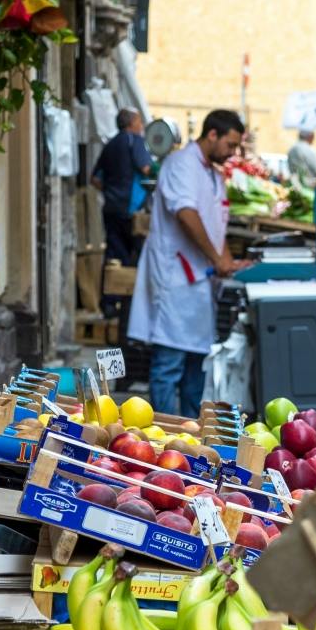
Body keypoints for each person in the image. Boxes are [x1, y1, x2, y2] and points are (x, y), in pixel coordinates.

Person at [127, 110, 248, 417]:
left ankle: (191, 432)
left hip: (200, 284)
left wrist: (228, 261)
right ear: (212, 135)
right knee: (169, 365)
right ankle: (161, 431)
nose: (232, 152)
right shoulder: (180, 164)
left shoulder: (213, 175)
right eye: (230, 144)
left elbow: (216, 224)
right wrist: (217, 258)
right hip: (175, 279)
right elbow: (186, 215)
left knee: (196, 369)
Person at [91, 108, 152, 265]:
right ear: (132, 123)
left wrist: (109, 190)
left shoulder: (110, 144)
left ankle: (112, 281)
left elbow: (94, 179)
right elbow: (146, 169)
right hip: (131, 211)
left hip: (110, 209)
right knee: (135, 259)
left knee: (114, 259)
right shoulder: (135, 141)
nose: (142, 125)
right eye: (139, 121)